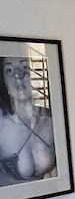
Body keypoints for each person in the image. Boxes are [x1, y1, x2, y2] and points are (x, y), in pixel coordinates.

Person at [0, 56, 56, 187]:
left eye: (25, 67)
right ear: (4, 81)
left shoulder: (52, 118)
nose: (18, 75)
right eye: (9, 70)